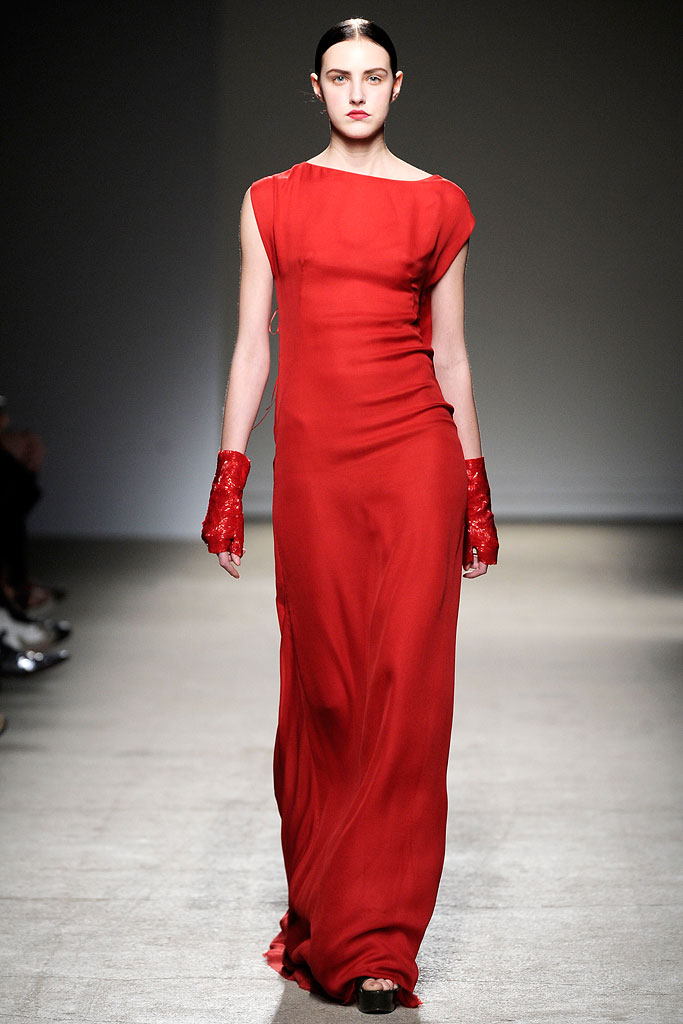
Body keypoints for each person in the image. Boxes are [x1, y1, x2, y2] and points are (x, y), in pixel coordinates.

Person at [201, 18, 499, 1015]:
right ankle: (327, 906)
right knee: (325, 692)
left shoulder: (439, 203)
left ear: (397, 85)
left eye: (374, 75)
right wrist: (229, 474)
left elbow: (449, 355)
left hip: (413, 457)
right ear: (316, 86)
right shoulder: (271, 200)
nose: (358, 91)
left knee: (406, 692)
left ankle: (380, 944)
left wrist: (473, 488)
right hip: (315, 471)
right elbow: (253, 343)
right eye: (341, 76)